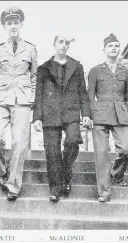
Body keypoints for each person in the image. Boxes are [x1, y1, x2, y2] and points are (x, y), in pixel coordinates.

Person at [0, 6, 38, 201]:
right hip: (1, 99)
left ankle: (14, 186)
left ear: (21, 25)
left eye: (16, 22)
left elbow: (34, 76)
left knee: (19, 142)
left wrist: (32, 96)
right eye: (9, 23)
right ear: (4, 26)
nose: (13, 26)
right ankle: (2, 171)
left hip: (23, 101)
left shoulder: (31, 49)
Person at [32, 35, 91, 202]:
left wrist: (86, 114)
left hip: (71, 112)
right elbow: (39, 94)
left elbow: (83, 92)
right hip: (50, 113)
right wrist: (37, 117)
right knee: (52, 152)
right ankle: (55, 188)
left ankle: (65, 172)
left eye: (66, 43)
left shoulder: (76, 66)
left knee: (73, 141)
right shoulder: (44, 68)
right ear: (54, 44)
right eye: (60, 42)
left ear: (69, 46)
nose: (63, 45)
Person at [88, 33, 128, 203]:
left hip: (120, 114)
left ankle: (117, 174)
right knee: (102, 154)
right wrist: (87, 116)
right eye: (111, 46)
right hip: (100, 115)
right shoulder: (96, 70)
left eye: (117, 46)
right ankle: (104, 191)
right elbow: (89, 96)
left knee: (126, 148)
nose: (114, 48)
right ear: (104, 50)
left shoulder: (125, 71)